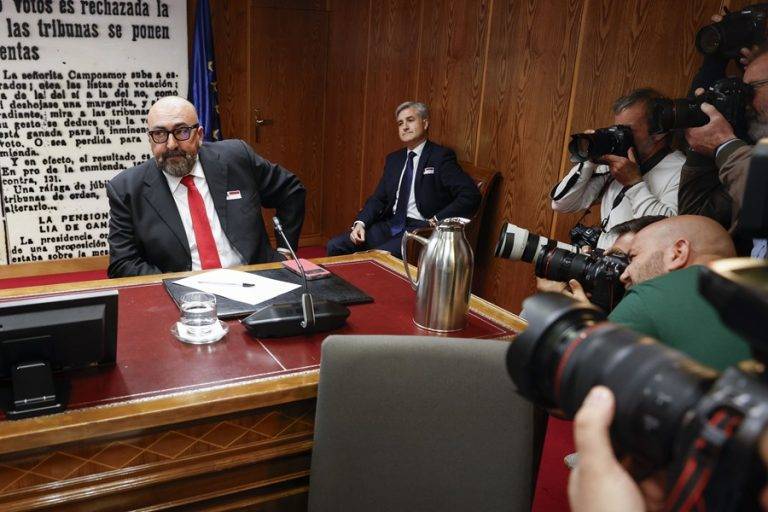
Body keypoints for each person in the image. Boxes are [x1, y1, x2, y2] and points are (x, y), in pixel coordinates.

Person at [106, 96, 306, 277]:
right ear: (150, 139)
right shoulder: (127, 189)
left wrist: (284, 251)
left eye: (182, 131)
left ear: (199, 135)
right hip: (185, 297)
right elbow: (122, 263)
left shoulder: (236, 157)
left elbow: (291, 191)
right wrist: (172, 285)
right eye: (159, 134)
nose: (171, 144)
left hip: (256, 279)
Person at [326, 101, 480, 258]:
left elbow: (470, 195)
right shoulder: (394, 159)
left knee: (378, 257)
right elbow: (378, 199)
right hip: (391, 225)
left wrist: (437, 220)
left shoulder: (440, 157)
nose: (405, 127)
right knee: (335, 246)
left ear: (425, 123)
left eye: (410, 120)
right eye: (400, 123)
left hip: (420, 230)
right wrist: (360, 224)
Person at [609, 215, 750, 370]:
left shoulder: (651, 297)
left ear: (678, 253)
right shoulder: (755, 289)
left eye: (632, 258)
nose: (624, 275)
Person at [551, 89, 683, 250]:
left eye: (628, 130)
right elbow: (562, 204)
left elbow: (669, 232)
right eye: (617, 128)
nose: (620, 135)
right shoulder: (619, 162)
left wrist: (634, 184)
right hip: (603, 259)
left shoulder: (680, 170)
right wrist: (590, 159)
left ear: (659, 133)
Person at [679, 48, 768, 257]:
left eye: (752, 89)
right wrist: (702, 145)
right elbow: (697, 220)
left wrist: (724, 145)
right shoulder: (749, 155)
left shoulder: (740, 158)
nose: (745, 102)